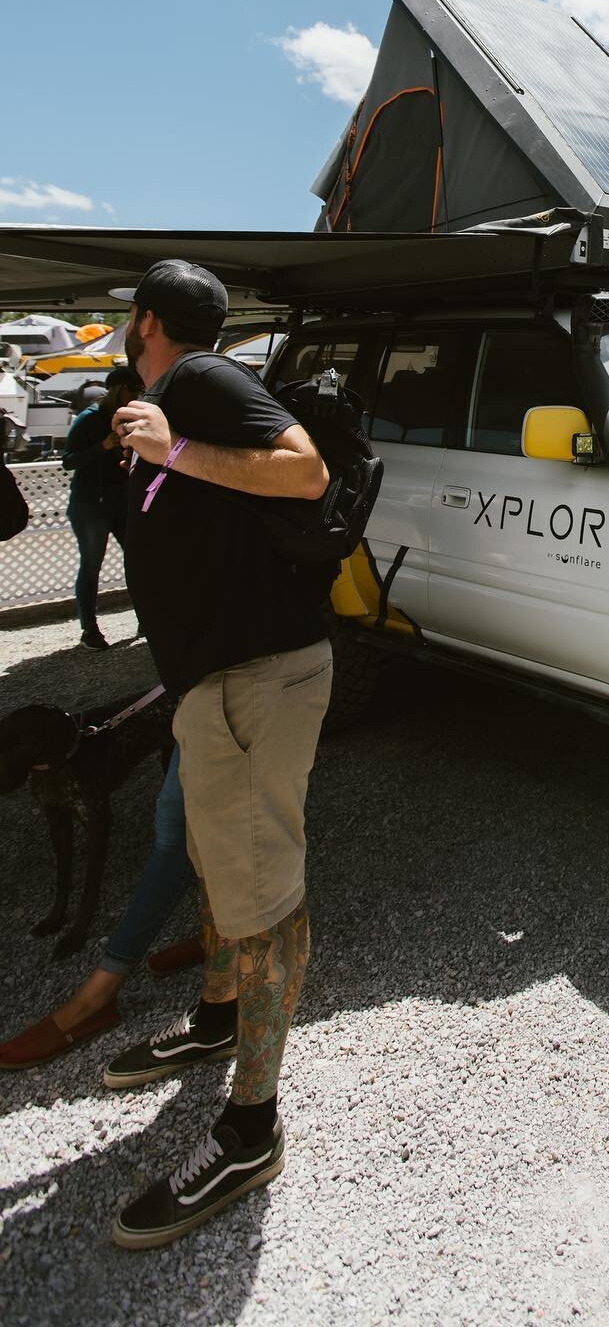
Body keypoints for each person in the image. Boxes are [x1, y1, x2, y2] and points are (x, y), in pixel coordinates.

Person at [101, 259, 332, 1251]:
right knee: (209, 858)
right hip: (215, 682)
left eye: (127, 319)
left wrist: (175, 447)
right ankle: (215, 1015)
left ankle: (251, 1128)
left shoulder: (199, 381)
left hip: (258, 678)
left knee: (264, 891)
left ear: (149, 320)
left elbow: (306, 468)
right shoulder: (165, 400)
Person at [0, 747, 201, 1068]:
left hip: (247, 704)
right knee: (182, 821)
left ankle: (95, 998)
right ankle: (220, 932)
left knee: (190, 825)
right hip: (202, 702)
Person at [62, 364, 141, 649]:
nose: (138, 396)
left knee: (138, 558)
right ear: (120, 390)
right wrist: (104, 447)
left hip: (121, 497)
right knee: (92, 564)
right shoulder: (89, 418)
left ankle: (146, 617)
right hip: (90, 503)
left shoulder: (130, 417)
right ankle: (89, 629)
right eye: (135, 390)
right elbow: (68, 460)